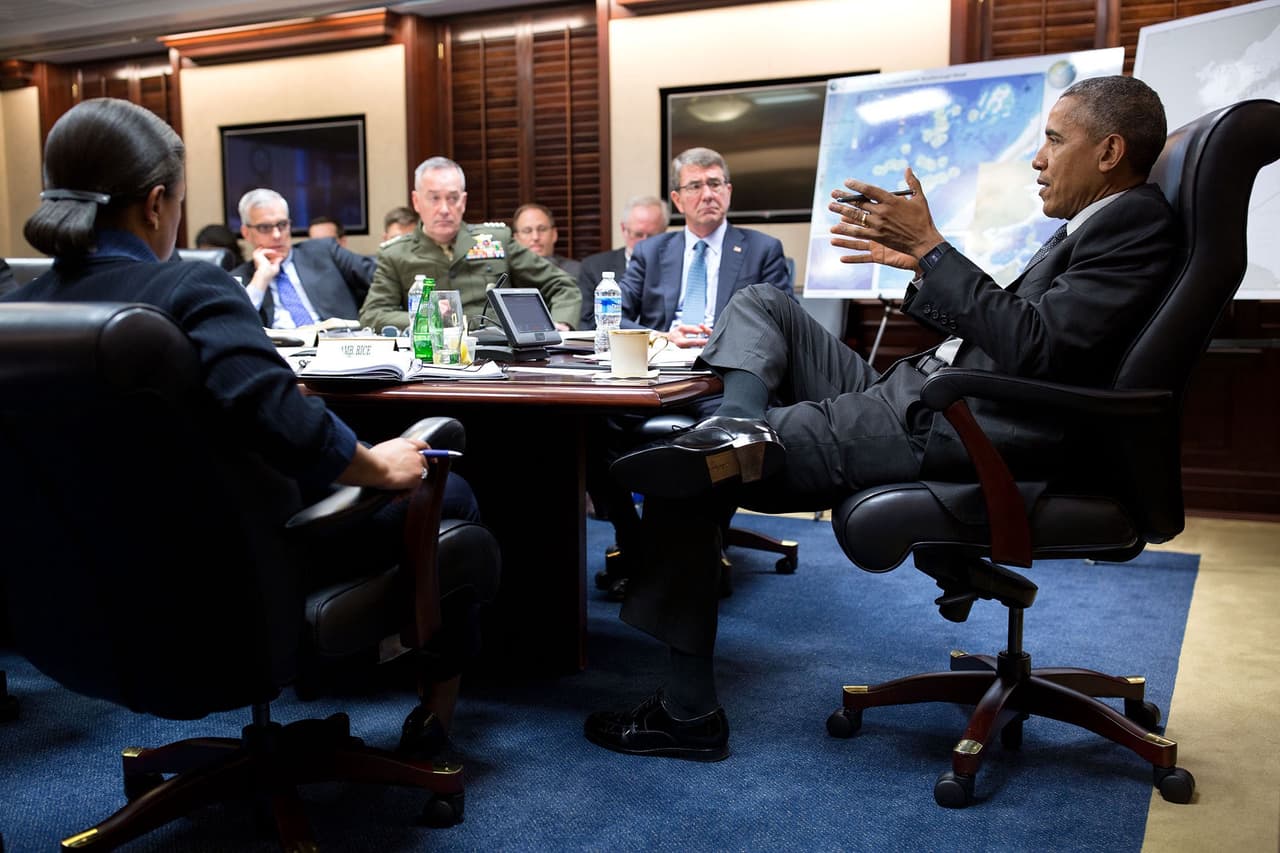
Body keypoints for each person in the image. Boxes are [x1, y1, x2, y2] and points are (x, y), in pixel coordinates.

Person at [584, 75, 1179, 761]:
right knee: (761, 301)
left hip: (948, 424)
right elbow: (1017, 333)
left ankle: (686, 715)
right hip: (921, 396)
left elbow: (1038, 350)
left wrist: (935, 250)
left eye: (1052, 139)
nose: (1037, 158)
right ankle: (739, 424)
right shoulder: (1100, 225)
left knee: (692, 468)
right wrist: (923, 270)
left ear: (1108, 151)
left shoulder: (1133, 224)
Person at [4, 97, 498, 756]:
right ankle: (434, 717)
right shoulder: (188, 291)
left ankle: (353, 669)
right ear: (156, 204)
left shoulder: (17, 311)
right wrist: (382, 464)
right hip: (230, 599)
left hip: (76, 611)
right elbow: (289, 428)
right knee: (447, 490)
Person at [589, 148, 793, 600]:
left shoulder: (762, 250)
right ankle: (630, 537)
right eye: (695, 186)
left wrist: (721, 335)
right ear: (677, 200)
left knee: (727, 430)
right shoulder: (653, 251)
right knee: (589, 423)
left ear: (729, 192)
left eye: (716, 184)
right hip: (656, 373)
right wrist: (665, 334)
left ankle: (709, 541)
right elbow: (614, 317)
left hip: (722, 377)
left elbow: (782, 324)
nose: (708, 194)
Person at [360, 157, 581, 332]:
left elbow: (562, 285)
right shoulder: (396, 253)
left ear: (463, 202)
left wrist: (561, 324)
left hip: (500, 358)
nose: (445, 209)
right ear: (417, 201)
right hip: (429, 363)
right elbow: (373, 314)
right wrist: (434, 316)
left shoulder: (496, 241)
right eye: (434, 198)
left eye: (453, 198)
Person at [231, 189, 375, 329]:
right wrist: (261, 278)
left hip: (339, 346)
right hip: (281, 352)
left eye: (282, 225)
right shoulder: (238, 280)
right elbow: (232, 326)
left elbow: (383, 279)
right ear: (246, 233)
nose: (276, 235)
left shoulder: (324, 251)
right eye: (265, 227)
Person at [575, 195, 670, 331]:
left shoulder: (673, 267)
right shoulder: (594, 267)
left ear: (664, 233)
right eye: (638, 235)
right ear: (623, 229)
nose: (644, 243)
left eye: (652, 236)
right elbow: (588, 321)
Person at [512, 202, 581, 277]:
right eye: (527, 231)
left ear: (554, 234)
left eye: (542, 229)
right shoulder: (506, 274)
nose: (535, 237)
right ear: (516, 238)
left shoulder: (577, 271)